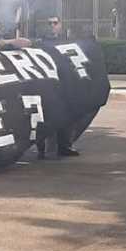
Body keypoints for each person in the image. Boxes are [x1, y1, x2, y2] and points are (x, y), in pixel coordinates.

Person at [35, 16, 80, 159]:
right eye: (49, 23)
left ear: (60, 25)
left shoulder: (67, 42)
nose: (52, 26)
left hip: (64, 84)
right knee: (44, 118)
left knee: (68, 115)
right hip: (46, 85)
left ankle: (65, 146)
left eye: (55, 23)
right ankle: (41, 149)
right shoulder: (39, 42)